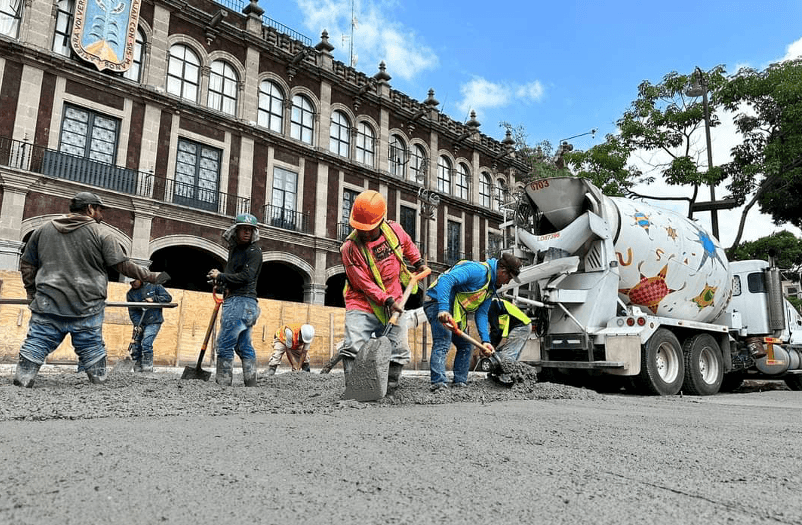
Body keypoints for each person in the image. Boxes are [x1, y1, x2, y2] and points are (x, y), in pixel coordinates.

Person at [14, 191, 168, 387]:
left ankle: (23, 380)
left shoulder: (43, 230)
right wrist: (153, 277)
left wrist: (32, 292)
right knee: (91, 344)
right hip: (86, 303)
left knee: (38, 340)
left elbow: (27, 263)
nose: (102, 216)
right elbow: (122, 265)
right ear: (90, 209)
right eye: (100, 210)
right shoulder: (101, 233)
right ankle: (98, 381)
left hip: (48, 301)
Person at [339, 190, 429, 393]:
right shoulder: (350, 248)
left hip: (394, 296)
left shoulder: (394, 230)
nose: (363, 233)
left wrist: (418, 262)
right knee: (353, 344)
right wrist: (387, 301)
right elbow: (364, 284)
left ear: (380, 222)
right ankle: (353, 390)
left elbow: (407, 244)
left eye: (368, 229)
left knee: (399, 347)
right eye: (359, 228)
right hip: (362, 302)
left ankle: (390, 388)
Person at [424, 252, 522, 391]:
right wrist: (443, 308)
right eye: (509, 278)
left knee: (465, 345)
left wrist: (485, 341)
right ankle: (438, 384)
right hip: (436, 302)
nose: (508, 282)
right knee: (443, 340)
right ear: (502, 270)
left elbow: (481, 314)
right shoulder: (479, 271)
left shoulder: (490, 288)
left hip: (454, 311)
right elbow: (446, 280)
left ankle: (460, 383)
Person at [206, 213, 263, 387]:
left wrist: (222, 275)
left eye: (250, 230)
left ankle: (223, 385)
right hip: (244, 303)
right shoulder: (235, 251)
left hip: (240, 302)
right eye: (243, 229)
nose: (247, 233)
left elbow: (247, 276)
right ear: (236, 231)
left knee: (224, 345)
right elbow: (234, 277)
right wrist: (220, 280)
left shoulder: (254, 252)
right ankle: (251, 383)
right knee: (243, 346)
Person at [126, 278, 173, 373]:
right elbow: (133, 311)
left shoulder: (154, 286)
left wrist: (154, 299)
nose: (132, 284)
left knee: (146, 343)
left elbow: (168, 298)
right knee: (136, 344)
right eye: (130, 282)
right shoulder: (130, 294)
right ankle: (137, 368)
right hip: (140, 322)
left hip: (154, 320)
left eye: (134, 281)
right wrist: (137, 324)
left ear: (139, 279)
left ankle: (147, 368)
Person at [485, 297, 533, 384]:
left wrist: (490, 345)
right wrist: (493, 345)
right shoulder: (497, 302)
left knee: (507, 355)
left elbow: (495, 330)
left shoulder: (491, 305)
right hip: (524, 325)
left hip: (521, 327)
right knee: (508, 355)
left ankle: (506, 381)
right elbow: (498, 330)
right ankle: (513, 378)